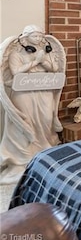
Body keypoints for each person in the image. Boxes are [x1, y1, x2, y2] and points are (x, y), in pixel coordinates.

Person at [0, 25, 66, 184]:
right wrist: (34, 61)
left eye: (40, 36)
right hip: (23, 92)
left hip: (44, 89)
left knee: (46, 119)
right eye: (35, 36)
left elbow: (55, 69)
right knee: (26, 122)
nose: (39, 39)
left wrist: (43, 61)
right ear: (25, 38)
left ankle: (44, 150)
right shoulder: (16, 53)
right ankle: (23, 158)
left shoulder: (45, 51)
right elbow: (16, 73)